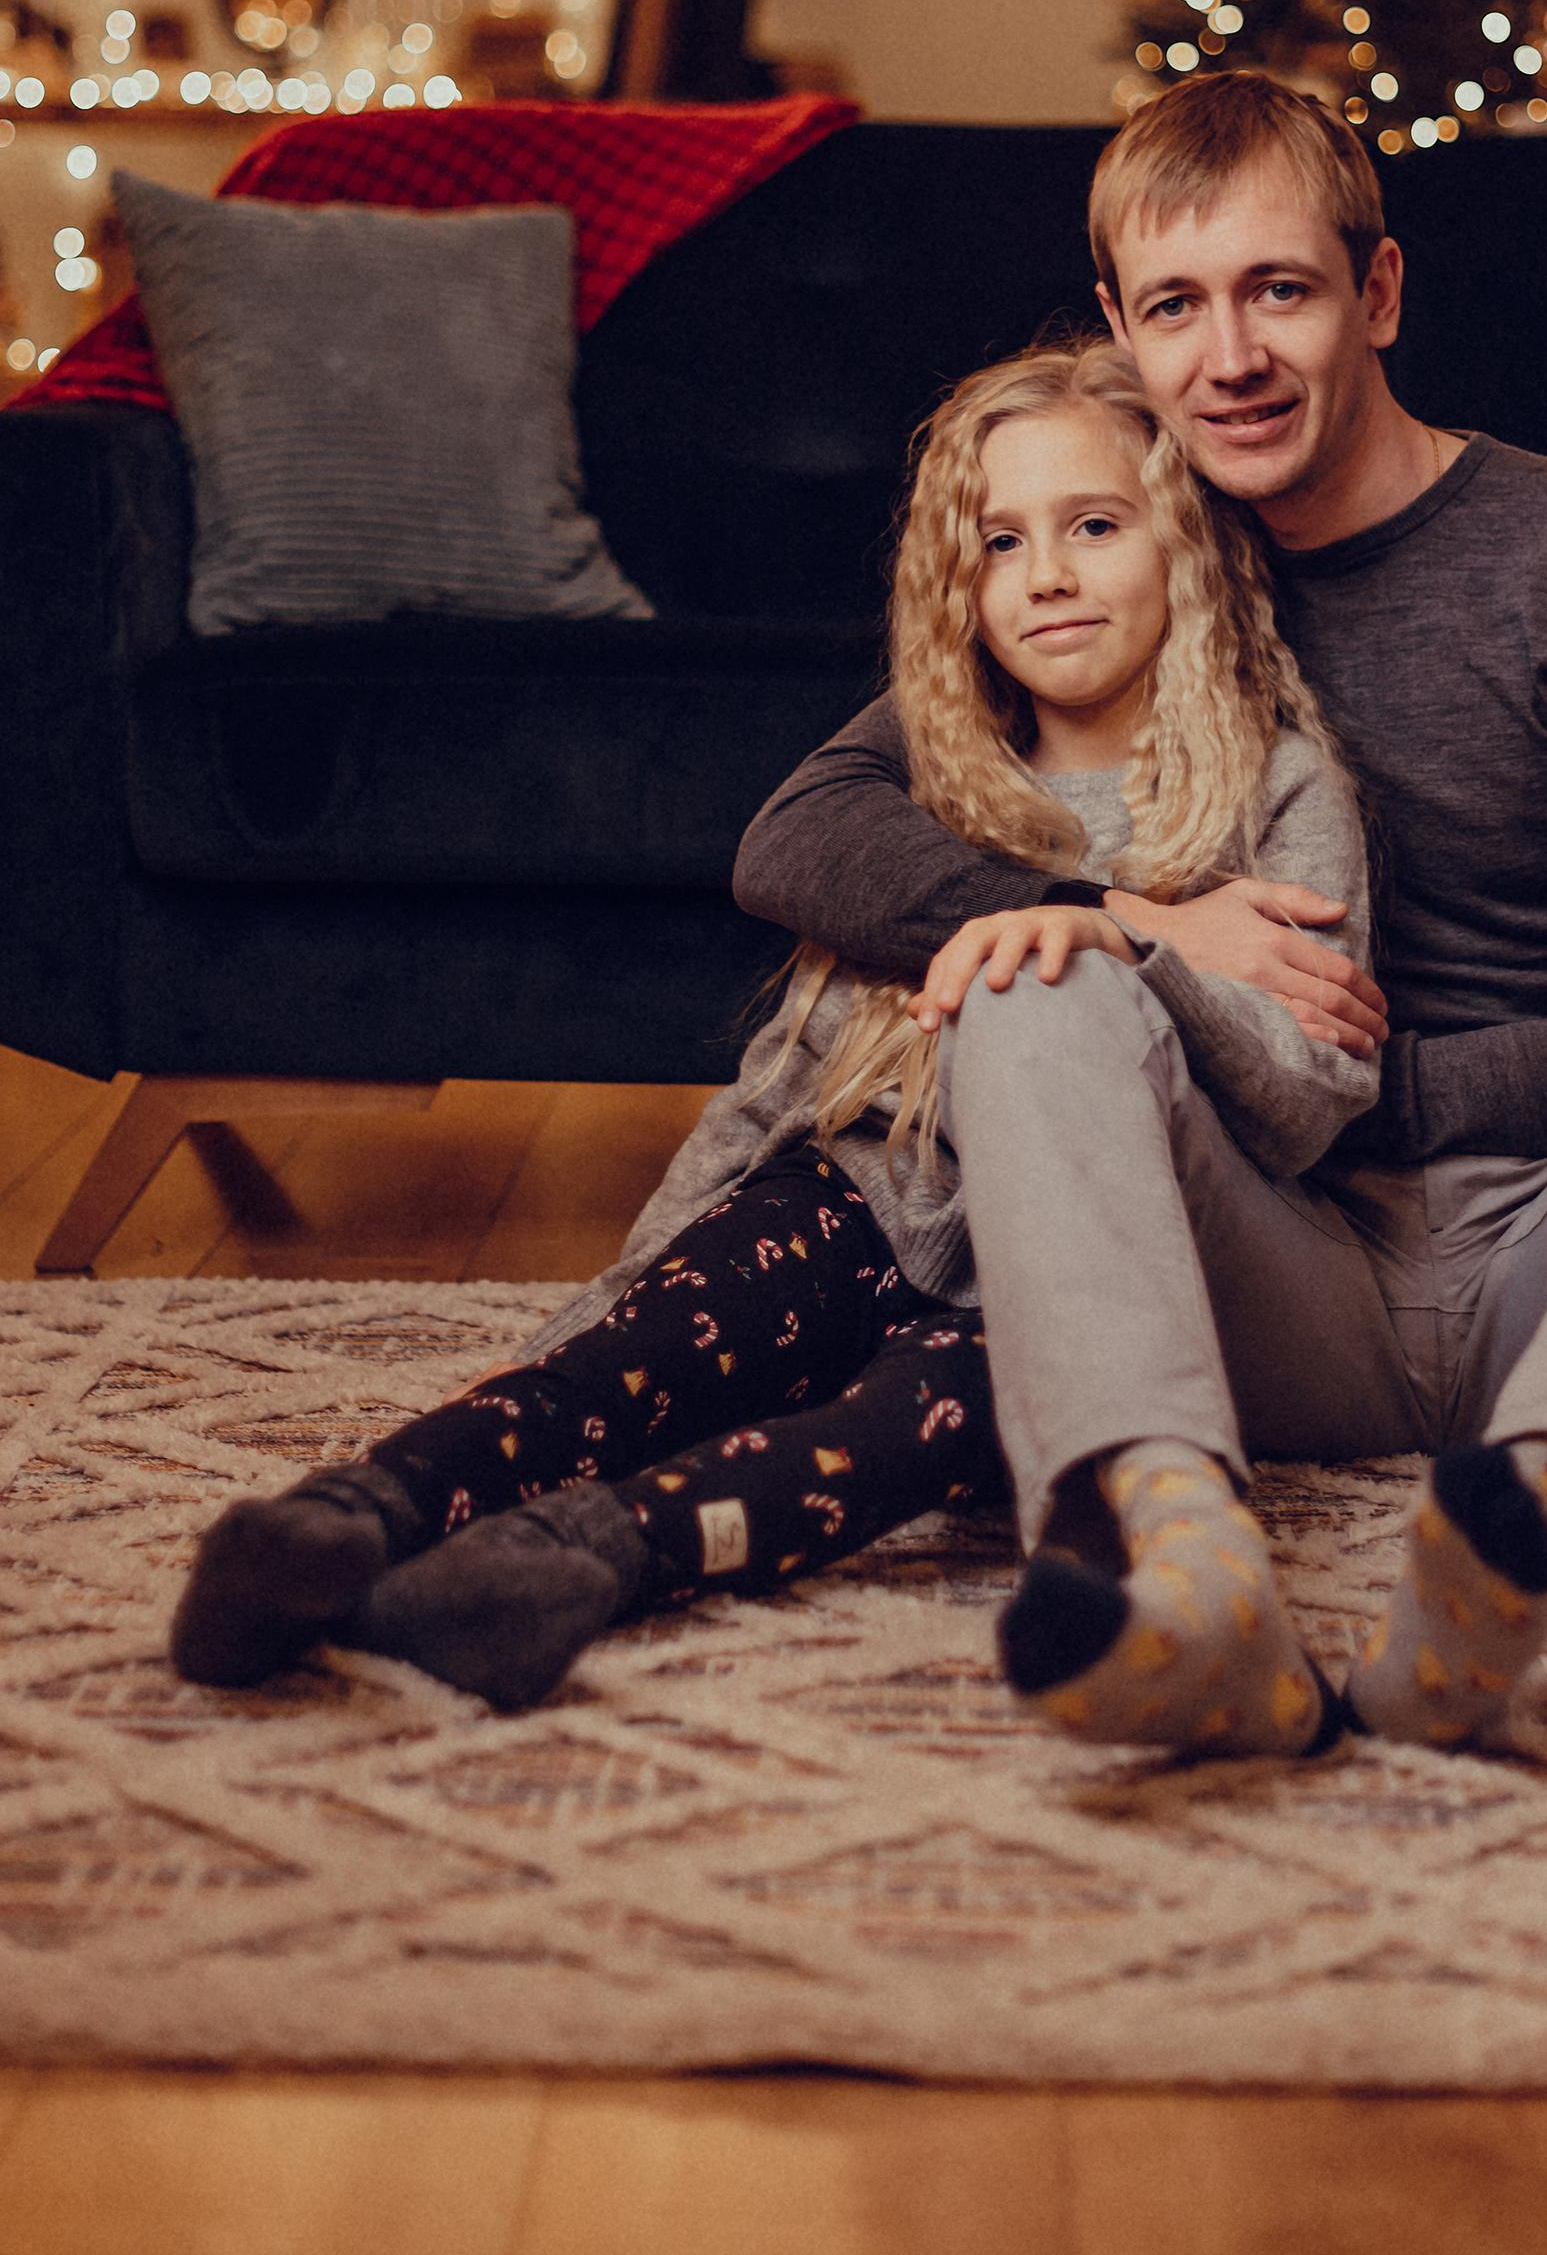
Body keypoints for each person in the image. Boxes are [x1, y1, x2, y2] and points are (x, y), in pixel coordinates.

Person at [735, 71, 1547, 1752]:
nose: (1233, 358)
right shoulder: (1128, 551)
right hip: (1258, 1277)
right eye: (1178, 309)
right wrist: (1140, 926)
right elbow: (801, 834)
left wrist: (1331, 1079)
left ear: (1380, 294)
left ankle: (1531, 1511)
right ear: (1124, 331)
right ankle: (1174, 1560)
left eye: (1280, 290)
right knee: (1035, 971)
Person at [170, 337, 1376, 1751]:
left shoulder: (1281, 789)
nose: (1046, 574)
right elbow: (779, 1093)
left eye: (1094, 526)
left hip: (1072, 1265)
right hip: (866, 1190)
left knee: (919, 1420)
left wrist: (1150, 947)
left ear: (1186, 548)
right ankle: (345, 1517)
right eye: (999, 543)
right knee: (672, 1343)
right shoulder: (928, 789)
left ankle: (585, 1561)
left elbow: (1311, 1102)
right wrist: (625, 1297)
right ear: (957, 590)